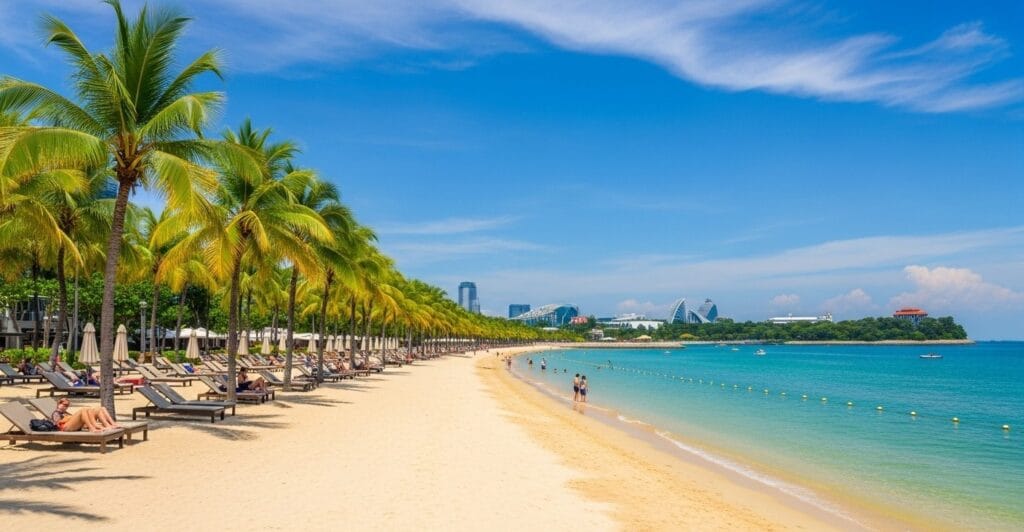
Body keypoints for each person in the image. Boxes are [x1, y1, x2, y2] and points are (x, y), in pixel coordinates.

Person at [51, 398, 121, 432]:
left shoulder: (65, 412)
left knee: (100, 408)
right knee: (83, 410)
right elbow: (58, 423)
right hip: (65, 428)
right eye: (64, 405)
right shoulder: (56, 413)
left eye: (67, 405)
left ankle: (110, 424)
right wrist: (69, 418)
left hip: (72, 426)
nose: (66, 407)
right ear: (59, 404)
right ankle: (92, 427)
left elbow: (74, 420)